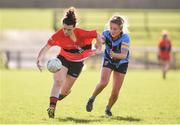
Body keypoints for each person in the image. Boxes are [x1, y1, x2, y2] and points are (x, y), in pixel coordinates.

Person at [36, 7, 102, 118]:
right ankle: (52, 107)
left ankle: (60, 96)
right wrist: (39, 59)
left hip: (78, 63)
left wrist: (99, 48)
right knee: (58, 81)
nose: (65, 32)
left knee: (65, 91)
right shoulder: (58, 35)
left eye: (69, 29)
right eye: (64, 28)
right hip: (63, 59)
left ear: (74, 27)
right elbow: (47, 47)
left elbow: (97, 34)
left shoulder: (82, 33)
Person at [86, 15, 130, 116]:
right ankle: (91, 99)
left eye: (115, 29)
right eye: (111, 28)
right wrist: (97, 46)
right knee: (103, 82)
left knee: (115, 92)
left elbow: (123, 55)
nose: (112, 31)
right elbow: (100, 42)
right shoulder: (106, 34)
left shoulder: (125, 38)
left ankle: (108, 108)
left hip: (122, 63)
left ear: (120, 29)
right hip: (108, 60)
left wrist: (115, 55)